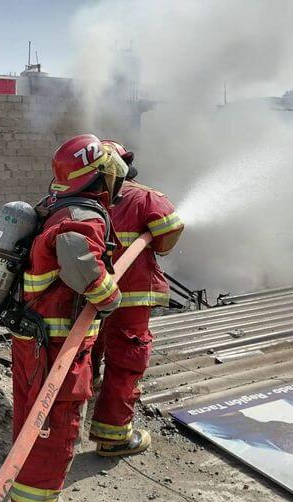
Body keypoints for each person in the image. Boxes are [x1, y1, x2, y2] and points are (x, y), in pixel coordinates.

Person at [8, 134, 128, 502]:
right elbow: (83, 269)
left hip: (35, 338)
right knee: (56, 421)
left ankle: (26, 492)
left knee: (34, 418)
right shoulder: (81, 217)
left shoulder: (56, 208)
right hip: (56, 342)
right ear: (98, 175)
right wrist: (110, 296)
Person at [89, 139, 184, 457]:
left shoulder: (73, 197)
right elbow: (169, 234)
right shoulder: (146, 196)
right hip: (130, 296)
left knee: (84, 350)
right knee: (126, 360)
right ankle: (113, 436)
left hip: (86, 294)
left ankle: (80, 401)